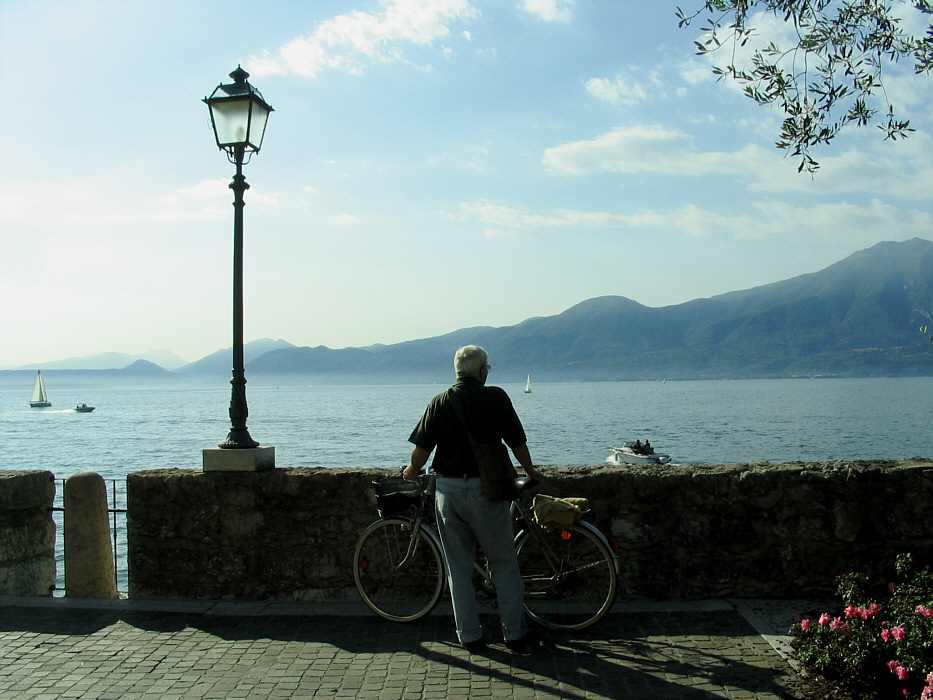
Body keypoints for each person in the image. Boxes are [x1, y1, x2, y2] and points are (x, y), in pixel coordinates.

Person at [404, 345, 545, 654]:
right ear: (482, 371)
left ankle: (470, 637)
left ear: (457, 371)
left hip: (449, 492)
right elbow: (516, 441)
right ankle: (515, 635)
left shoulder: (441, 401)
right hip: (488, 491)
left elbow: (422, 451)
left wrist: (412, 470)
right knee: (504, 564)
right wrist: (531, 471)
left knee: (458, 568)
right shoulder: (496, 397)